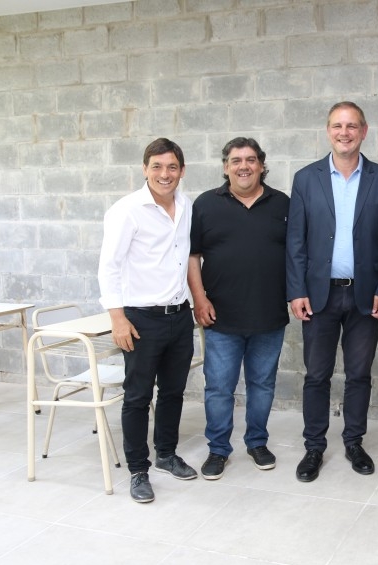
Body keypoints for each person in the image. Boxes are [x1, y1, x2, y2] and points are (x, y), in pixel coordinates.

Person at [286, 101, 378, 482]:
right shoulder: (306, 178)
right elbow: (295, 241)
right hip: (318, 296)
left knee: (359, 374)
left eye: (352, 126)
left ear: (364, 131)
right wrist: (296, 290)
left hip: (365, 296)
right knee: (316, 375)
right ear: (328, 131)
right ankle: (314, 447)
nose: (344, 132)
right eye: (337, 126)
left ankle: (354, 442)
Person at [98, 137, 198, 504]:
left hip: (179, 315)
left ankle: (166, 455)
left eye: (172, 167)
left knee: (173, 392)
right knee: (138, 396)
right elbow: (108, 267)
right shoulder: (126, 210)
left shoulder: (186, 205)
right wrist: (117, 318)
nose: (164, 174)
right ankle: (138, 470)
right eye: (156, 166)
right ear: (145, 169)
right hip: (141, 319)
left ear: (182, 171)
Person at [188, 137, 290, 481]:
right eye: (236, 160)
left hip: (269, 316)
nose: (243, 166)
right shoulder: (205, 204)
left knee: (262, 385)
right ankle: (218, 449)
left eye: (250, 160)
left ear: (261, 165)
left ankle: (257, 443)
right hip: (220, 317)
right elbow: (192, 256)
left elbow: (297, 255)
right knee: (219, 388)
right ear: (225, 167)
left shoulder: (283, 204)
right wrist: (199, 298)